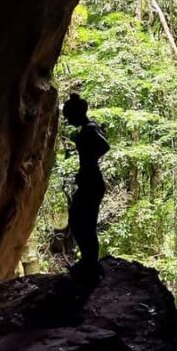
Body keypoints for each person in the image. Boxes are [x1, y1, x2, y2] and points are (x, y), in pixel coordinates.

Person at [63, 93, 109, 273]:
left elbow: (104, 146)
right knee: (79, 220)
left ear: (76, 114)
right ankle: (88, 260)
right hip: (89, 181)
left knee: (84, 222)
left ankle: (90, 263)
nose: (67, 120)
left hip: (92, 182)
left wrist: (90, 161)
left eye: (68, 116)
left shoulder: (90, 129)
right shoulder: (89, 128)